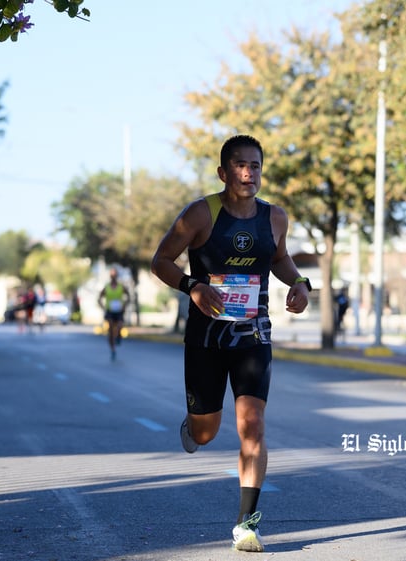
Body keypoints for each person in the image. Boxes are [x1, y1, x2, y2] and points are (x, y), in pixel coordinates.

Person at [151, 134, 310, 552]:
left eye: (255, 166)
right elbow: (160, 261)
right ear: (223, 172)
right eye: (239, 166)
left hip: (253, 335)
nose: (248, 173)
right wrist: (193, 286)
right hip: (206, 337)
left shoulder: (274, 218)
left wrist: (299, 283)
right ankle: (194, 424)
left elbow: (279, 258)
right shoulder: (200, 214)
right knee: (206, 432)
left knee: (253, 425)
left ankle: (247, 524)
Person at [98, 268, 130, 360]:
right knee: (111, 330)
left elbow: (128, 297)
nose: (113, 277)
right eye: (112, 275)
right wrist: (103, 307)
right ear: (110, 277)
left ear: (117, 276)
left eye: (114, 275)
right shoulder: (107, 287)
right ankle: (112, 350)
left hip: (119, 310)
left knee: (120, 326)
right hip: (110, 311)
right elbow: (99, 298)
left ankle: (119, 337)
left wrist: (125, 305)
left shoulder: (121, 286)